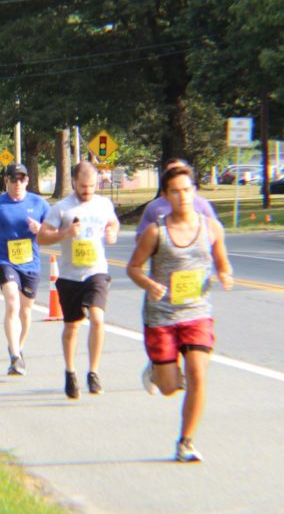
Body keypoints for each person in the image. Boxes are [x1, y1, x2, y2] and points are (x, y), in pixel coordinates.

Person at [126, 163, 234, 463]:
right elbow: (133, 268)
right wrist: (149, 284)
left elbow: (222, 261)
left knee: (198, 374)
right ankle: (158, 370)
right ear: (165, 196)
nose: (182, 197)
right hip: (161, 315)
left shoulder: (211, 227)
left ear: (194, 191)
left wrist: (225, 274)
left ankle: (186, 442)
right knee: (168, 387)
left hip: (197, 312)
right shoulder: (155, 231)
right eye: (175, 192)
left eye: (187, 190)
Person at [38, 161, 120, 398]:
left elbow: (113, 222)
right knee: (72, 326)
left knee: (97, 318)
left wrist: (112, 231)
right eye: (83, 186)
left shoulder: (103, 204)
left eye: (92, 186)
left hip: (96, 271)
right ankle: (70, 372)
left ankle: (93, 373)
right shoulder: (62, 208)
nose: (88, 191)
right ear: (74, 182)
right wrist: (65, 233)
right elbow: (42, 237)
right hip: (70, 275)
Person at [0, 163, 49, 376]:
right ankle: (15, 357)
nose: (18, 183)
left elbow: (53, 228)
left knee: (26, 311)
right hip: (5, 260)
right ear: (6, 180)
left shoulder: (38, 203)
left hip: (30, 262)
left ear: (27, 181)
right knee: (12, 303)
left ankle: (18, 346)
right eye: (13, 179)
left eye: (22, 179)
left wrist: (41, 229)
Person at [136, 158, 219, 237]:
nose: (176, 175)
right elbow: (141, 236)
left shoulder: (201, 204)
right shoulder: (154, 207)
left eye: (180, 171)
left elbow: (214, 231)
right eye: (171, 172)